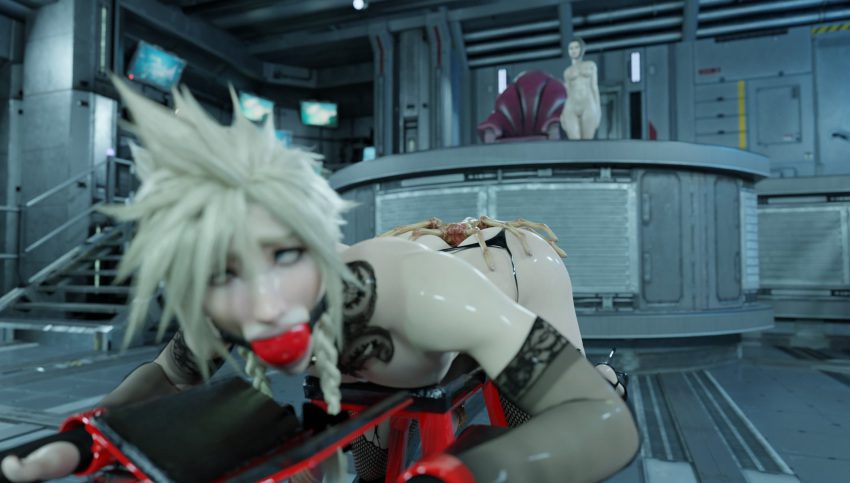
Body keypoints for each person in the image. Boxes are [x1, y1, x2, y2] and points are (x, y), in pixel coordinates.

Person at [1, 78, 638, 483]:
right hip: (397, 342)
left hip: (513, 269)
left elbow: (599, 420)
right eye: (225, 274)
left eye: (282, 257)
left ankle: (606, 369)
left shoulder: (425, 291)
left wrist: (466, 474)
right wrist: (85, 436)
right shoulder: (233, 302)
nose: (264, 304)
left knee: (538, 417)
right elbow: (169, 378)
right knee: (362, 463)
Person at [560, 37, 601, 140]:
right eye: (571, 48)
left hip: (588, 104)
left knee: (587, 141)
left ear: (582, 49)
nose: (573, 50)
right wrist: (562, 114)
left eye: (576, 47)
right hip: (571, 106)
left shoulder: (591, 65)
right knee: (574, 142)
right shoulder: (567, 71)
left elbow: (594, 87)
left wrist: (598, 110)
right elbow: (566, 92)